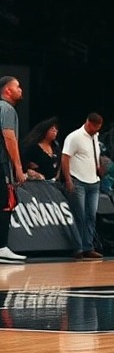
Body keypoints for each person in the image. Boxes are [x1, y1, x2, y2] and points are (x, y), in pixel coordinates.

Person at [61, 113, 105, 260]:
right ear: (88, 123)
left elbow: (94, 155)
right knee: (79, 215)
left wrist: (98, 168)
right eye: (95, 126)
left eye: (99, 127)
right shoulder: (74, 137)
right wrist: (68, 179)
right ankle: (78, 248)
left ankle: (88, 247)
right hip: (78, 180)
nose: (96, 129)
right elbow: (65, 157)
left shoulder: (95, 137)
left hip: (94, 181)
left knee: (91, 216)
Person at [0, 76, 26, 264]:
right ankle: (2, 247)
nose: (21, 89)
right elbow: (9, 137)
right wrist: (18, 167)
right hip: (1, 165)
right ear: (7, 91)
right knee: (5, 204)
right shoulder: (7, 108)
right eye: (17, 86)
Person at [21, 117, 62, 182]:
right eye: (52, 129)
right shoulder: (33, 147)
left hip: (53, 182)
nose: (55, 131)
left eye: (56, 129)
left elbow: (59, 163)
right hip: (37, 183)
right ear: (45, 130)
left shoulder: (56, 147)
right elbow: (24, 163)